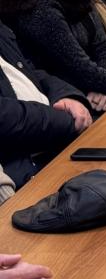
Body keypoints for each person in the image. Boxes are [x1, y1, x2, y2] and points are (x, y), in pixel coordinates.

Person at [1, 18, 90, 191]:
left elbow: (31, 71)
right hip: (23, 171)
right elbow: (6, 117)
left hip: (57, 141)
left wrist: (67, 96)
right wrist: (66, 120)